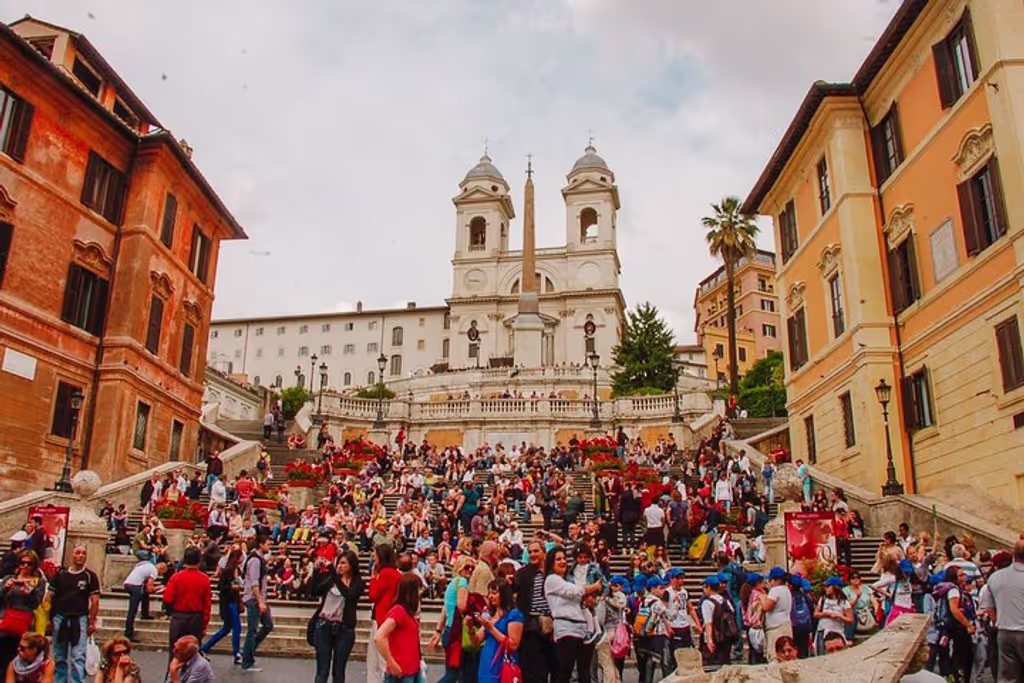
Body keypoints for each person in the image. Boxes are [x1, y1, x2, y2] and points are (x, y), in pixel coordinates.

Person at [544, 546, 603, 683]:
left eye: (564, 558)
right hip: (566, 627)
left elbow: (581, 596)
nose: (562, 561)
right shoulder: (551, 579)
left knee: (585, 672)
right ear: (551, 563)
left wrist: (590, 600)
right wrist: (594, 587)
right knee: (565, 670)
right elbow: (574, 591)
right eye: (558, 559)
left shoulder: (569, 579)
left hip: (583, 627)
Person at [48, 544, 100, 683]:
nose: (81, 556)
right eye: (78, 552)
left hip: (79, 618)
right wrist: (48, 618)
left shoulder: (90, 576)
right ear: (72, 555)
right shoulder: (61, 574)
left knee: (78, 656)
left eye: (83, 553)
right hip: (60, 617)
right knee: (59, 655)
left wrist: (92, 621)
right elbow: (49, 596)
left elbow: (94, 601)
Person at [311, 550, 364, 683]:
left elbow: (349, 595)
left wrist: (334, 575)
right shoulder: (332, 580)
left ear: (352, 565)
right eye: (339, 563)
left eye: (344, 563)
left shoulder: (358, 583)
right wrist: (316, 572)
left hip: (344, 628)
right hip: (324, 625)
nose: (340, 566)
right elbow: (314, 591)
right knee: (322, 670)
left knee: (339, 671)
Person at [981, 539, 1024, 682]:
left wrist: (997, 622)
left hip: (1005, 632)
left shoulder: (996, 577)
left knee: (1009, 677)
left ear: (1013, 554)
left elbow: (989, 607)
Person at [512, 541, 554, 683]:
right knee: (533, 668)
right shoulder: (522, 573)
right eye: (530, 552)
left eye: (536, 551)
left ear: (544, 552)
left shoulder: (552, 572)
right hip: (531, 626)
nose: (532, 554)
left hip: (552, 625)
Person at [0, 551, 45, 675]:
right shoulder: (9, 578)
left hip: (25, 624)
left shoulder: (38, 582)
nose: (25, 566)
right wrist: (5, 588)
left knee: (21, 656)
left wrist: (28, 589)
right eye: (22, 563)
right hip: (6, 622)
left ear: (34, 565)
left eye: (29, 564)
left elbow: (35, 603)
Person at [373, 574, 423, 683]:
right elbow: (379, 637)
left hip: (412, 669)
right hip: (402, 672)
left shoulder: (408, 613)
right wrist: (392, 663)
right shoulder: (399, 611)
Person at [162, 546, 211, 655]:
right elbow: (207, 604)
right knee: (193, 653)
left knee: (176, 652)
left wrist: (171, 612)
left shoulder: (176, 578)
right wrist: (204, 624)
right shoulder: (204, 579)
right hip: (196, 618)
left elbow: (167, 598)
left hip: (179, 617)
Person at [473, 581, 523, 683]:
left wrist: (491, 628)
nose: (490, 596)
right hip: (486, 664)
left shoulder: (514, 615)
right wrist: (470, 628)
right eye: (489, 593)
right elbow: (476, 641)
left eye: (494, 593)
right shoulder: (490, 615)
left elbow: (513, 644)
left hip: (502, 664)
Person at [200, 548, 243, 665]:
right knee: (236, 627)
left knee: (226, 628)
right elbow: (221, 587)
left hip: (234, 601)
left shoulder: (238, 570)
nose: (242, 559)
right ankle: (236, 653)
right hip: (229, 602)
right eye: (241, 557)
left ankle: (204, 648)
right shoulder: (227, 571)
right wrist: (232, 587)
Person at [367, 545, 401, 683]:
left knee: (377, 658)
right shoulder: (395, 573)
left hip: (382, 616)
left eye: (375, 554)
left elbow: (373, 595)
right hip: (388, 616)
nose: (373, 557)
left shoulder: (385, 573)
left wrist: (373, 577)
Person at [240, 536, 274, 672]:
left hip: (260, 598)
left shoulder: (259, 559)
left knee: (268, 625)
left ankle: (248, 650)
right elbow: (254, 582)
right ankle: (247, 661)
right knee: (252, 630)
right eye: (267, 544)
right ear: (261, 545)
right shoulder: (255, 560)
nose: (269, 547)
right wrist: (260, 601)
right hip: (255, 598)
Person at [123, 558, 165, 642]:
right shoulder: (154, 571)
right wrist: (159, 588)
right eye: (162, 573)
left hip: (128, 583)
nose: (160, 574)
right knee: (132, 611)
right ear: (161, 568)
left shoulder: (146, 564)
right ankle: (128, 633)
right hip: (135, 586)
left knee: (144, 594)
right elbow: (149, 588)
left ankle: (145, 613)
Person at [759, 567, 792, 663]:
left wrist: (762, 598)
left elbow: (766, 607)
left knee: (775, 656)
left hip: (776, 628)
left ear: (775, 580)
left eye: (770, 580)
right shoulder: (786, 590)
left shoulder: (775, 590)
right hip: (785, 624)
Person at [814, 577, 853, 655]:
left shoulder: (844, 602)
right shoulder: (823, 599)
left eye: (828, 586)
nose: (826, 589)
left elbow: (850, 620)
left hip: (837, 631)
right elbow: (815, 614)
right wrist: (825, 614)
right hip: (822, 631)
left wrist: (839, 616)